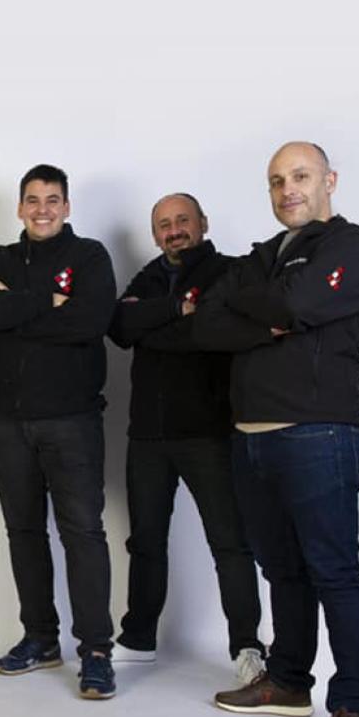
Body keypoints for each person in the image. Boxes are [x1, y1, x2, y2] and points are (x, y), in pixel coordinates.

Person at [148, 143, 359, 717]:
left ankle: (355, 711)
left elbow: (296, 305)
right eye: (277, 181)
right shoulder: (262, 255)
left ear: (329, 180)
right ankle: (289, 681)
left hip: (318, 431)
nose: (288, 189)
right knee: (282, 570)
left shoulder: (351, 246)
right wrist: (272, 314)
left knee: (334, 571)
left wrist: (269, 307)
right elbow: (206, 325)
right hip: (250, 434)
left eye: (300, 176)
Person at [0, 164, 119, 699]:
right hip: (6, 421)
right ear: (20, 208)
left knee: (83, 533)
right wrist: (47, 300)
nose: (42, 210)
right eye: (33, 200)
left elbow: (91, 321)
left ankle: (95, 650)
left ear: (67, 207)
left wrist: (15, 304)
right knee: (24, 531)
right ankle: (40, 638)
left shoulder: (91, 257)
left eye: (52, 200)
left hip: (72, 419)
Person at [106, 193, 265, 684]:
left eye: (182, 221)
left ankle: (247, 646)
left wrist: (157, 324)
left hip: (208, 432)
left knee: (230, 543)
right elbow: (120, 326)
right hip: (147, 436)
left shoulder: (229, 271)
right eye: (164, 224)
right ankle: (138, 637)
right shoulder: (149, 276)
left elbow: (212, 333)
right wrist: (179, 310)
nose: (174, 230)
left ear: (203, 223)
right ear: (155, 234)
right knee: (145, 541)